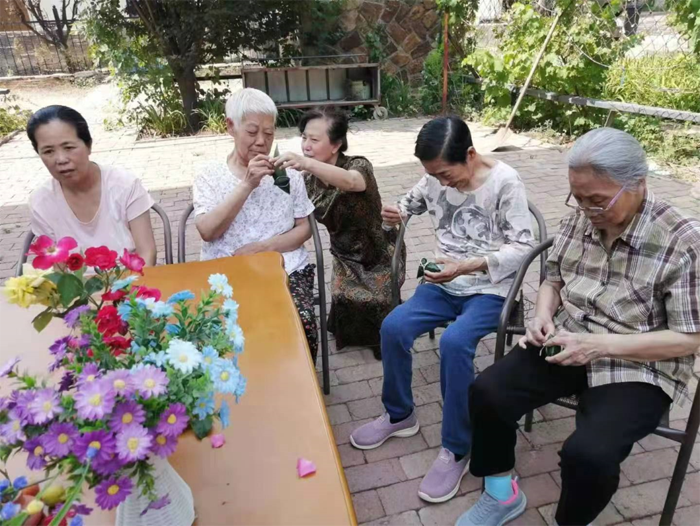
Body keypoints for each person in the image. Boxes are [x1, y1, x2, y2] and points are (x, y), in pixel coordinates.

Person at [456, 128, 700, 526]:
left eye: (597, 200)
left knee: (588, 455)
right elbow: (553, 279)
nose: (587, 210)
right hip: (568, 337)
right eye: (578, 198)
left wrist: (599, 346)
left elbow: (689, 338)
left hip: (641, 363)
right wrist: (542, 315)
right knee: (487, 392)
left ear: (638, 183)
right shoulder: (580, 219)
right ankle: (501, 493)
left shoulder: (684, 242)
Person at [349, 116, 534, 504]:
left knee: (454, 343)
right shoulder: (435, 177)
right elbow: (408, 204)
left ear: (470, 154)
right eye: (432, 174)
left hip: (490, 289)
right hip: (443, 283)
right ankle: (400, 415)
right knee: (393, 327)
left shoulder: (505, 182)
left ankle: (457, 447)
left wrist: (465, 266)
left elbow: (524, 248)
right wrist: (395, 213)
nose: (440, 182)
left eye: (445, 174)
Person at [193, 88, 318, 361]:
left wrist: (263, 248)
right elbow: (207, 231)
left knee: (303, 326)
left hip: (285, 268)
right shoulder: (209, 176)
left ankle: (296, 384)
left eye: (269, 133)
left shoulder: (288, 173)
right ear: (230, 127)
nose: (261, 141)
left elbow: (305, 227)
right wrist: (247, 184)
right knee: (217, 333)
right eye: (252, 132)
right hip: (224, 273)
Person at [273, 107, 405, 359]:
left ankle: (386, 336)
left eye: (314, 139)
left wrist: (306, 163)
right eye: (304, 137)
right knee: (343, 299)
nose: (306, 145)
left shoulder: (359, 165)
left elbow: (352, 182)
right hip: (344, 256)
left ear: (335, 145)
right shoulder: (307, 181)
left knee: (378, 303)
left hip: (378, 252)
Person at [27, 105, 156, 264]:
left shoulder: (125, 185)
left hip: (130, 277)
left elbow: (147, 252)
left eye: (69, 147)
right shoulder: (41, 202)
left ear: (88, 146)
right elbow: (56, 268)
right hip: (74, 280)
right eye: (48, 151)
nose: (61, 159)